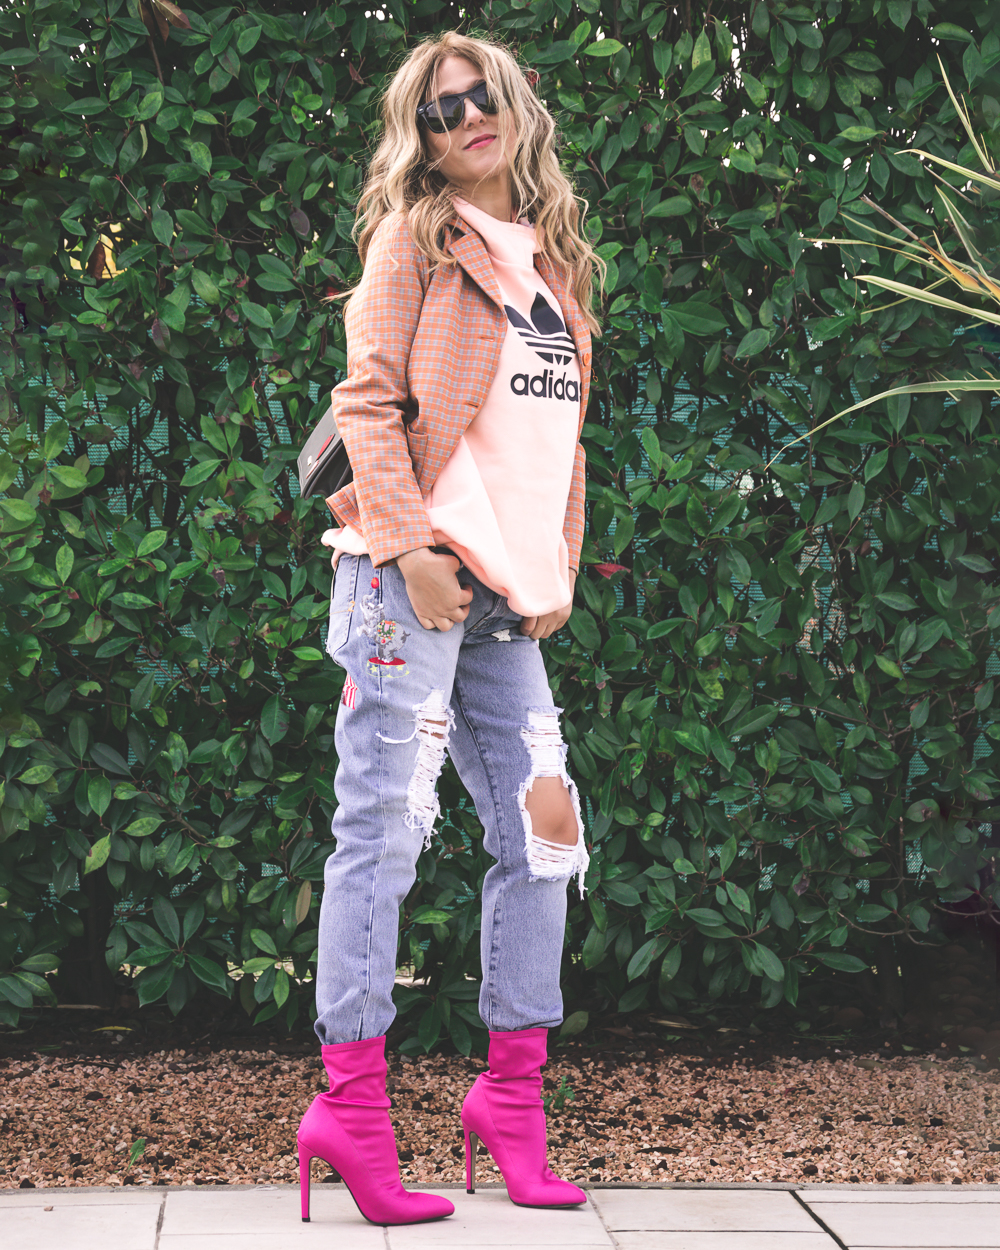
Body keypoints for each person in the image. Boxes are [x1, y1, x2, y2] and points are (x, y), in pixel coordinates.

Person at [295, 29, 603, 1227]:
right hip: (407, 585)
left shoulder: (553, 263)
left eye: (480, 99)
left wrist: (558, 556)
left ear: (514, 105)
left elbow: (556, 438)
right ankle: (351, 1111)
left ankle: (509, 1102)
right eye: (439, 111)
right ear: (418, 138)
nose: (466, 118)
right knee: (384, 832)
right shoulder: (415, 239)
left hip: (505, 604)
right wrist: (410, 546)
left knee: (545, 835)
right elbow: (365, 403)